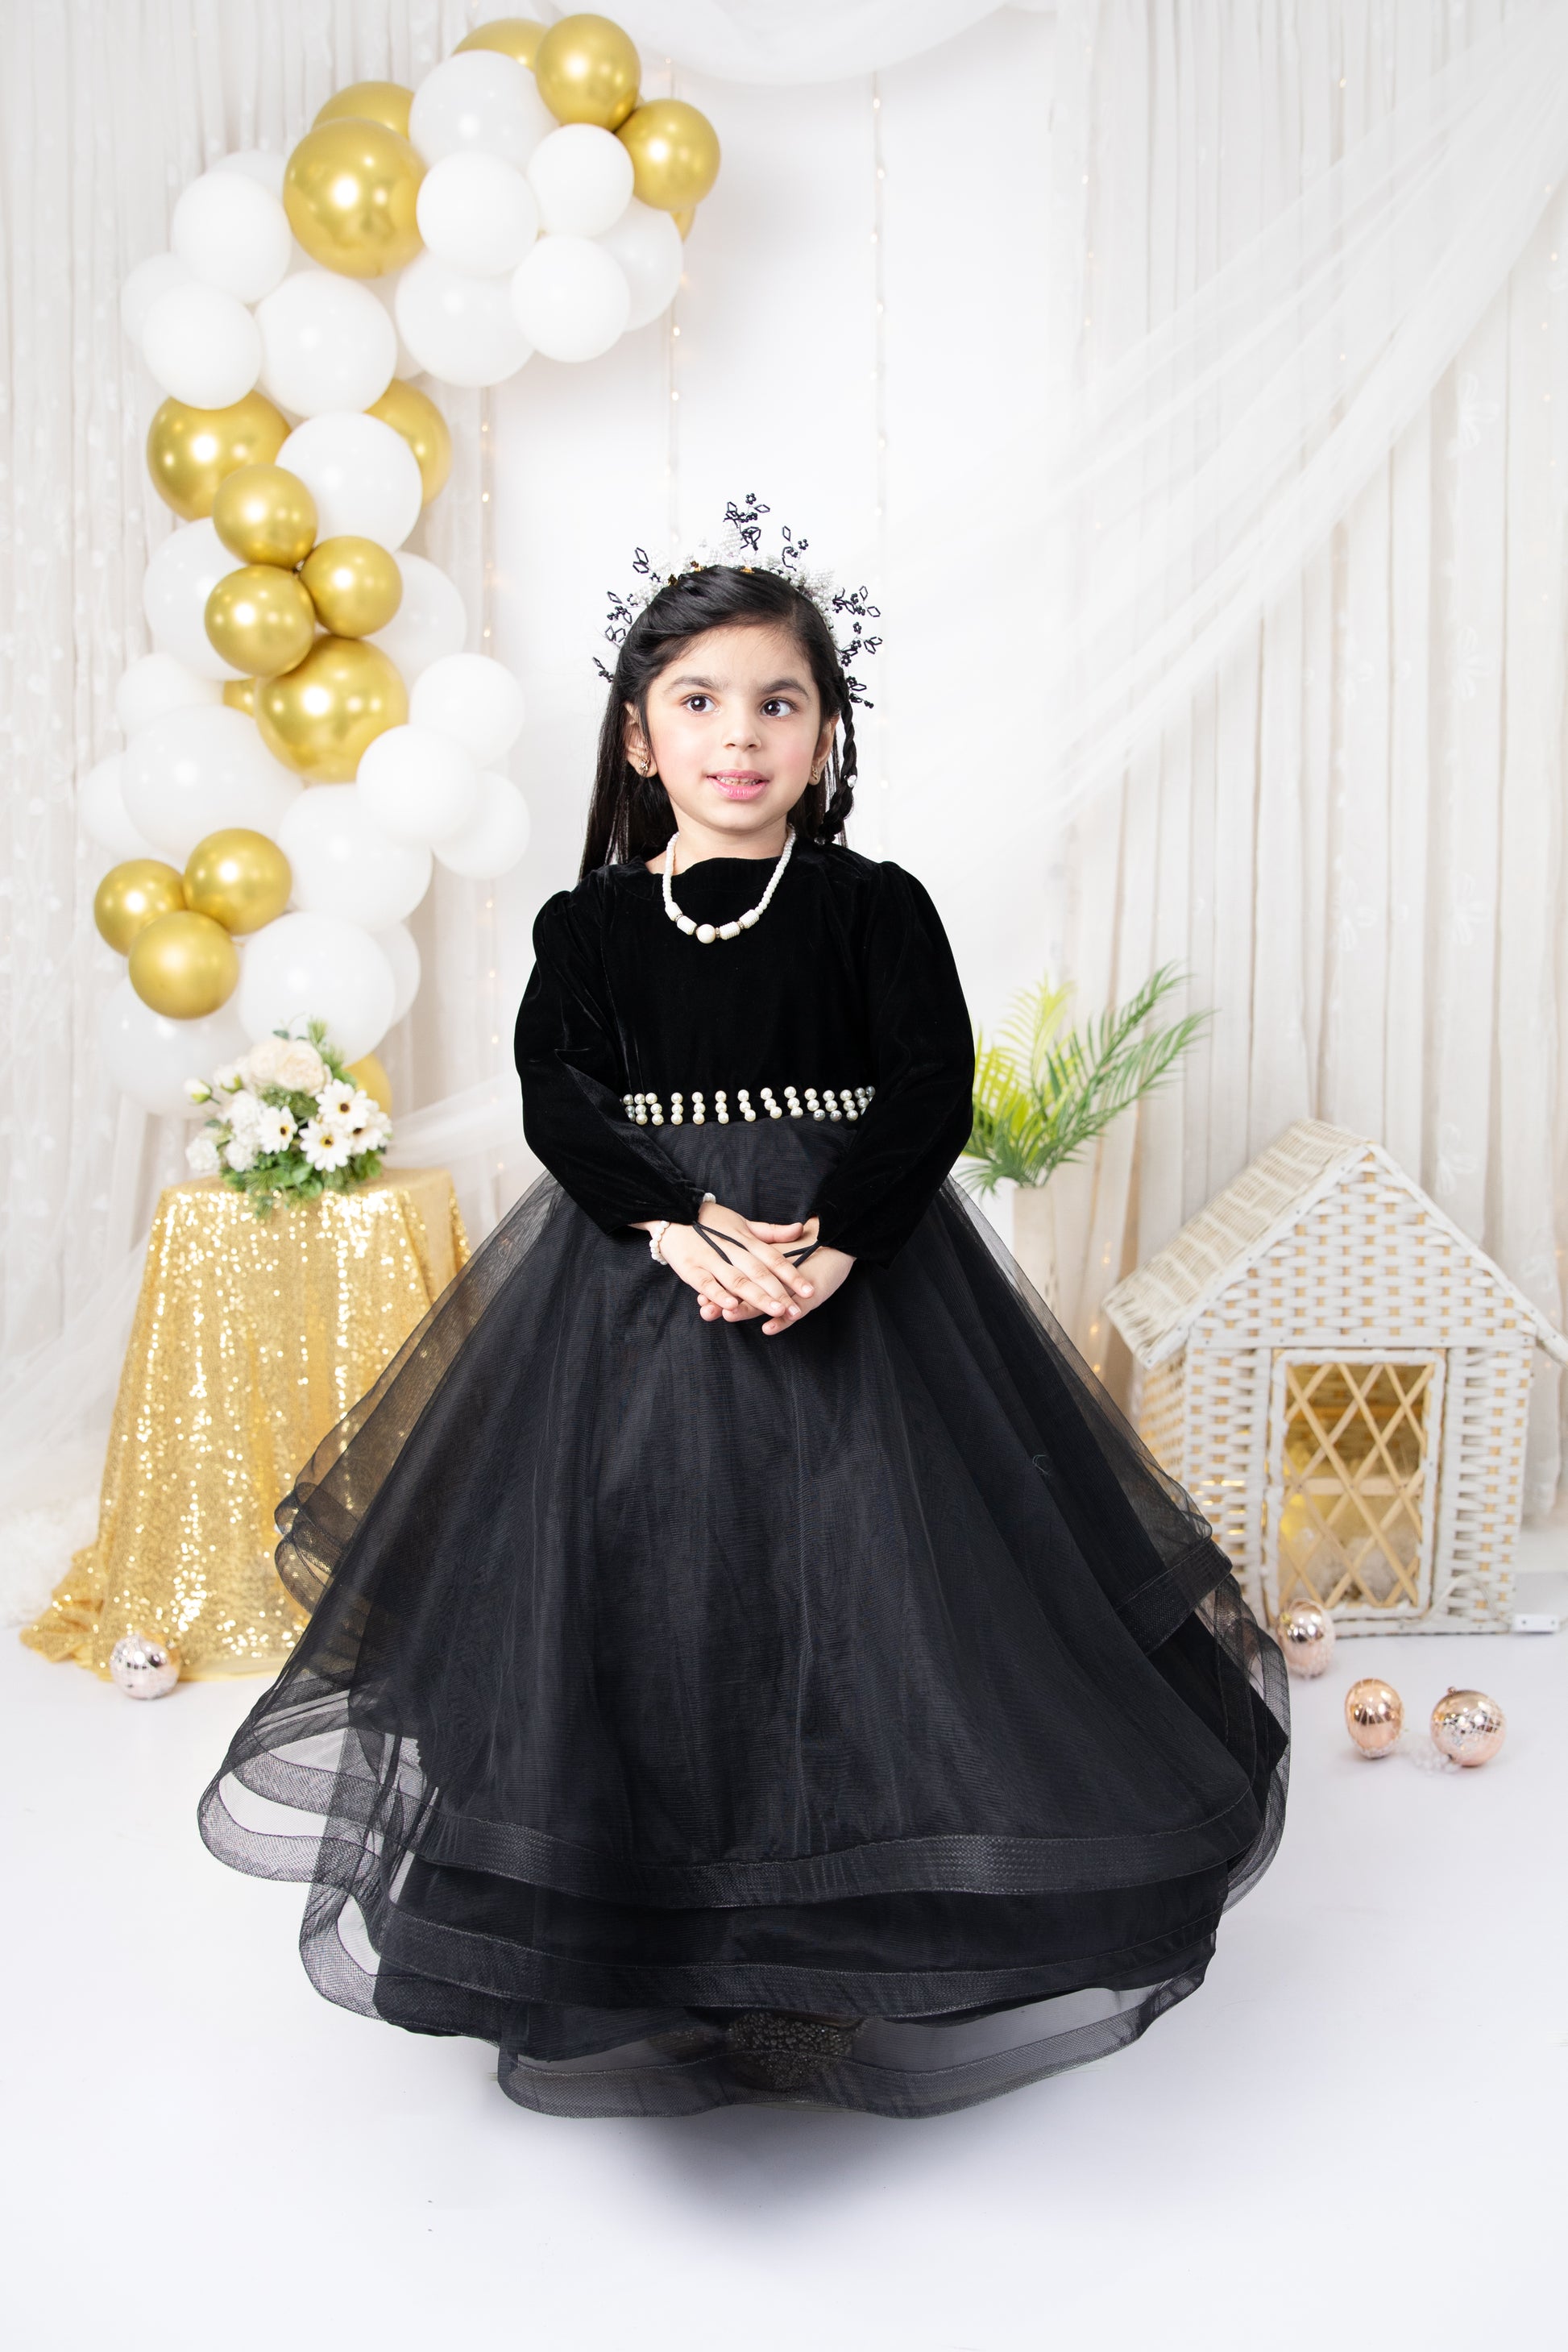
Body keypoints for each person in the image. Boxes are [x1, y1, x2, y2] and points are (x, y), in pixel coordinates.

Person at [198, 520, 1289, 2120]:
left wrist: (838, 1247)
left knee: (875, 1594)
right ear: (640, 741)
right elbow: (558, 1096)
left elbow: (929, 1084)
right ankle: (661, 1949)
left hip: (858, 1282)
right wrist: (666, 1226)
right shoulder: (590, 928)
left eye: (777, 703)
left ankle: (839, 1953)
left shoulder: (871, 907)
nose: (739, 735)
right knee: (652, 1579)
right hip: (641, 1289)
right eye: (698, 702)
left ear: (825, 734)